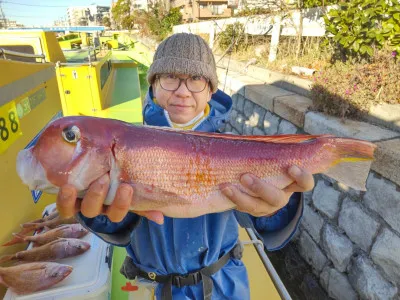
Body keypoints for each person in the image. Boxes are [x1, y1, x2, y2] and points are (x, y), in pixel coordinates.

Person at [56, 33, 314, 300]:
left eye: (196, 79)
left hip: (222, 286)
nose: (182, 90)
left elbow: (264, 222)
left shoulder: (234, 147)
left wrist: (278, 205)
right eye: (170, 77)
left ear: (211, 90)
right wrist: (99, 212)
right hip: (151, 287)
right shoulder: (124, 149)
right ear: (153, 85)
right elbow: (116, 225)